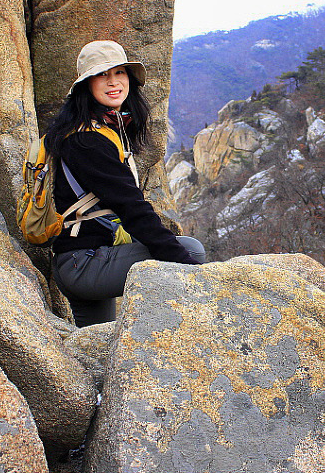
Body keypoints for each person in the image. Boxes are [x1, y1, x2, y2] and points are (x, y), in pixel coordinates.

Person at [45, 40, 205, 326]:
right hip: (85, 263)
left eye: (119, 72)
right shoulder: (86, 141)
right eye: (102, 75)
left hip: (83, 258)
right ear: (86, 85)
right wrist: (197, 273)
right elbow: (132, 208)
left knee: (97, 340)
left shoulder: (95, 130)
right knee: (191, 249)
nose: (113, 82)